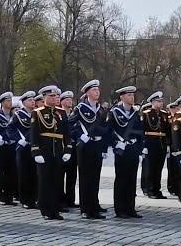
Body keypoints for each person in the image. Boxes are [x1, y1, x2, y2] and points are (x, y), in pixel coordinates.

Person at [67, 80, 109, 219]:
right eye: (94, 90)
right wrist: (80, 136)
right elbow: (69, 125)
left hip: (97, 145)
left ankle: (94, 207)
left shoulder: (101, 109)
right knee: (85, 178)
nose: (97, 92)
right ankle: (85, 209)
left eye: (98, 90)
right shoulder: (80, 108)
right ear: (87, 93)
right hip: (85, 146)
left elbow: (105, 129)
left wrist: (104, 148)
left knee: (95, 178)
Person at [31, 85, 70, 220]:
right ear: (44, 98)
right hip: (45, 151)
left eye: (56, 96)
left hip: (58, 151)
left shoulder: (61, 112)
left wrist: (68, 149)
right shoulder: (38, 112)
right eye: (51, 96)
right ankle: (46, 209)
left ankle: (55, 209)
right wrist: (36, 152)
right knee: (44, 181)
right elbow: (34, 134)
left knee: (57, 181)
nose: (55, 98)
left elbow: (66, 133)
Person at [108, 86, 144, 218]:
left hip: (132, 149)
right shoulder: (114, 113)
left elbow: (140, 132)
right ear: (122, 97)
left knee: (131, 179)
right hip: (121, 150)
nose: (132, 98)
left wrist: (140, 149)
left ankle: (130, 208)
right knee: (121, 179)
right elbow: (109, 130)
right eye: (128, 95)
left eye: (132, 95)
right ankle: (120, 209)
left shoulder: (136, 113)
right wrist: (115, 144)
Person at [139, 91, 168, 199]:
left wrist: (168, 144)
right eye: (158, 101)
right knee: (150, 168)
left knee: (158, 168)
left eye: (161, 101)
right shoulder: (146, 114)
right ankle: (150, 189)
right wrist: (144, 146)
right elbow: (142, 131)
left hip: (161, 144)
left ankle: (157, 189)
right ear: (152, 102)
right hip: (150, 143)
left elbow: (167, 131)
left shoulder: (164, 114)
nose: (161, 103)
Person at [15, 91, 38, 209]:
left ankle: (34, 198)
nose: (33, 102)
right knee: (24, 174)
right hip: (23, 148)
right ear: (24, 102)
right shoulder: (19, 114)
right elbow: (10, 129)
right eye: (30, 100)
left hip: (34, 147)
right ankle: (25, 200)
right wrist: (18, 139)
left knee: (34, 174)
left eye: (33, 100)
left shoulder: (36, 113)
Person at [59, 90, 77, 211]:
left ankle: (71, 199)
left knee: (72, 175)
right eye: (66, 99)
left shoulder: (75, 114)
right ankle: (61, 200)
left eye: (71, 99)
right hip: (61, 148)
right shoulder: (59, 114)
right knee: (60, 176)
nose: (69, 101)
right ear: (61, 102)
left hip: (73, 148)